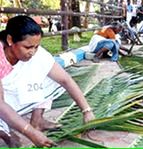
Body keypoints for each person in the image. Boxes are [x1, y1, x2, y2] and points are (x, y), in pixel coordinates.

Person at [0, 15, 95, 147]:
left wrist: (87, 111)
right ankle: (4, 133)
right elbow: (0, 104)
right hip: (2, 100)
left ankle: (37, 120)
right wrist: (30, 132)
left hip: (11, 95)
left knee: (52, 78)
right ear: (10, 40)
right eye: (27, 47)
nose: (32, 52)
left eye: (36, 47)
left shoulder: (35, 53)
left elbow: (65, 80)